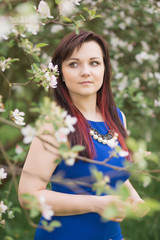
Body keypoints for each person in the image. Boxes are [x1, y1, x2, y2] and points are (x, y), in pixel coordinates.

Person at [18, 30, 147, 240]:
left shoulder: (116, 117)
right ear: (60, 72)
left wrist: (133, 196)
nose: (86, 72)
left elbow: (106, 169)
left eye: (94, 63)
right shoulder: (56, 124)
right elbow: (28, 196)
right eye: (73, 64)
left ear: (105, 68)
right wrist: (96, 204)